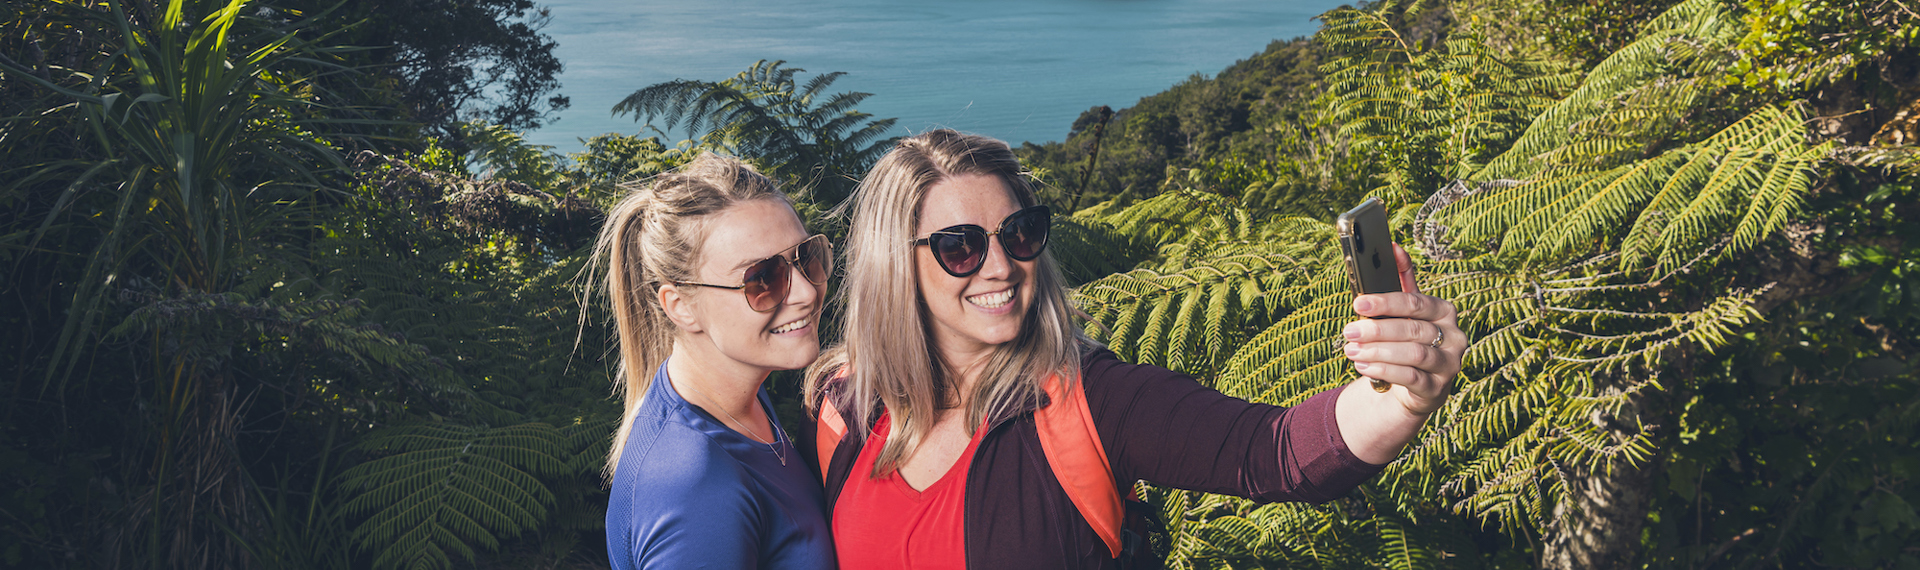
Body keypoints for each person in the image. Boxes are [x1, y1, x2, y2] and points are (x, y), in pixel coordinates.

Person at [804, 130, 1464, 569]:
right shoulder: (847, 408)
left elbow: (1278, 451)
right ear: (898, 267)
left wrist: (1403, 395)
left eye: (1019, 233)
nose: (1000, 266)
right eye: (960, 247)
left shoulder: (1087, 399)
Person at [597, 154, 837, 569]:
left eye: (806, 258)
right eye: (762, 278)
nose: (806, 293)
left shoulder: (736, 405)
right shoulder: (695, 485)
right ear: (680, 307)